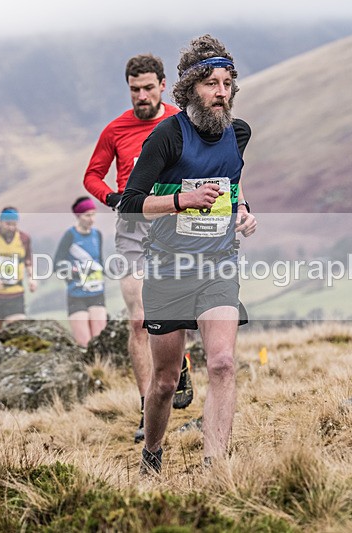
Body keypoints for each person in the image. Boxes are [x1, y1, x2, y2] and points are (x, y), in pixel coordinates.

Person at [119, 35, 257, 474]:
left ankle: (215, 466)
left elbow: (230, 189)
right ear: (189, 89)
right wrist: (182, 200)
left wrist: (244, 212)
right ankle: (153, 454)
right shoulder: (167, 136)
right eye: (211, 84)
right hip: (168, 268)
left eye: (227, 83)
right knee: (163, 382)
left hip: (218, 264)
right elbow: (130, 202)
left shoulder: (238, 133)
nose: (221, 92)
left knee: (221, 362)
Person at [83, 53, 193, 443]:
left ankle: (180, 368)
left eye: (148, 88)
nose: (141, 96)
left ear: (163, 85)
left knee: (180, 312)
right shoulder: (116, 130)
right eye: (134, 90)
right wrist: (112, 198)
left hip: (177, 224)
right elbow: (91, 176)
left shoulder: (181, 121)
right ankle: (148, 409)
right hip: (132, 226)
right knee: (138, 319)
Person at [53, 197, 108, 346]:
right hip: (76, 294)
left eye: (94, 214)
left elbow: (100, 261)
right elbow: (56, 264)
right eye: (87, 215)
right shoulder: (70, 235)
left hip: (97, 292)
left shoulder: (97, 235)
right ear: (78, 216)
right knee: (84, 343)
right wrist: (73, 271)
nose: (92, 219)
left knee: (100, 341)